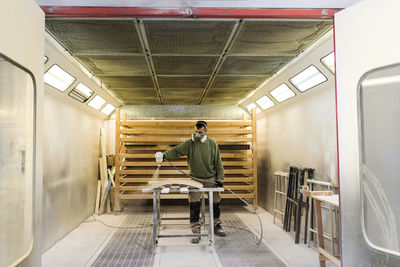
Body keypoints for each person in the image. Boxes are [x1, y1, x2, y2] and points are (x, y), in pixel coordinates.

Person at [162, 120, 226, 243]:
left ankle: (217, 225)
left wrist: (220, 179)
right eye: (195, 132)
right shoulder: (190, 144)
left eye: (200, 132)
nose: (197, 134)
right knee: (194, 202)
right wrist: (164, 155)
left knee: (216, 200)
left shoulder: (212, 144)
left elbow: (218, 163)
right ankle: (196, 229)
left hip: (210, 177)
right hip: (195, 178)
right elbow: (176, 151)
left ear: (206, 132)